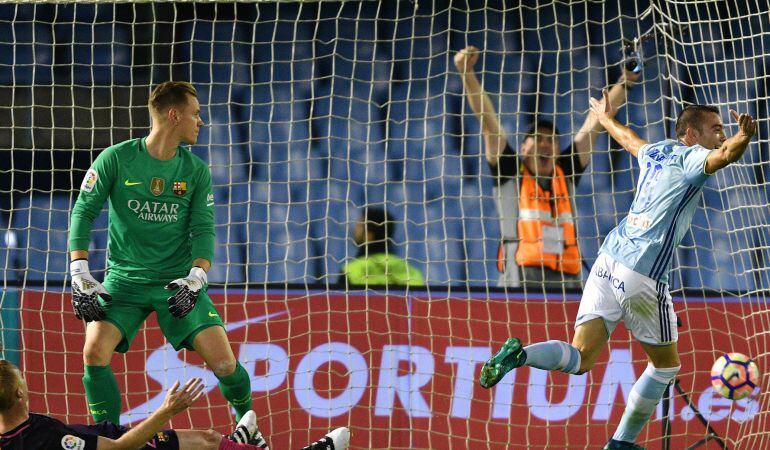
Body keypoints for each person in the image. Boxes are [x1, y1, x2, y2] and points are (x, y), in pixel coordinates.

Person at [479, 91, 757, 450]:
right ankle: (621, 443)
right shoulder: (692, 158)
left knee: (580, 358)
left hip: (607, 261)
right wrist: (744, 137)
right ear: (691, 135)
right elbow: (724, 155)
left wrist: (605, 118)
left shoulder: (657, 152)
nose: (720, 134)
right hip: (642, 274)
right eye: (715, 128)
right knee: (665, 367)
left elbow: (629, 139)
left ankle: (521, 355)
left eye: (723, 129)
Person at [67, 82, 253, 425]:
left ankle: (251, 432)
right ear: (174, 115)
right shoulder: (116, 158)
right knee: (93, 352)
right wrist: (80, 271)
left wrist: (197, 277)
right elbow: (83, 211)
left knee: (226, 365)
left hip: (176, 285)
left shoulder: (195, 170)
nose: (201, 121)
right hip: (124, 280)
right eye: (195, 114)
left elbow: (204, 229)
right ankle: (108, 437)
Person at [454, 45, 641, 289]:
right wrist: (466, 73)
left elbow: (595, 122)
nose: (546, 144)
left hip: (567, 280)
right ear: (523, 148)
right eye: (538, 138)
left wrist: (627, 79)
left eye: (552, 140)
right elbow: (488, 121)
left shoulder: (566, 170)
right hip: (520, 277)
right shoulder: (510, 170)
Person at [0, 359, 350, 450]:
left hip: (107, 437)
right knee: (210, 442)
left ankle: (238, 444)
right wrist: (166, 410)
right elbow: (121, 448)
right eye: (21, 378)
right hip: (122, 444)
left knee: (212, 442)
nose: (26, 380)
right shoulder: (44, 437)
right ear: (18, 394)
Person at [342, 206, 424, 286]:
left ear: (369, 235)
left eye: (359, 226)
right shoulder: (412, 272)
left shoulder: (351, 271)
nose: (354, 230)